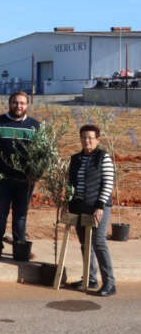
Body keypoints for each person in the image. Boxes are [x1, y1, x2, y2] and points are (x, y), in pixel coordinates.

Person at [0, 91, 40, 259]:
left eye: (22, 103)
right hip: (0, 179)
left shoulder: (34, 126)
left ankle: (19, 249)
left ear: (27, 105)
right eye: (15, 102)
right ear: (9, 103)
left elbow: (41, 153)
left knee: (20, 216)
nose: (18, 106)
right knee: (0, 214)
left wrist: (36, 173)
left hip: (24, 180)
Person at [67, 125, 116, 296]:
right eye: (83, 137)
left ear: (97, 140)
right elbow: (70, 183)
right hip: (79, 207)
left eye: (90, 138)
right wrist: (68, 203)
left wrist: (100, 206)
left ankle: (110, 283)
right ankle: (90, 278)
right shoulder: (75, 159)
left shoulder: (103, 157)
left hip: (98, 207)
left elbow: (108, 183)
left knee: (98, 242)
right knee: (85, 243)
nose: (86, 141)